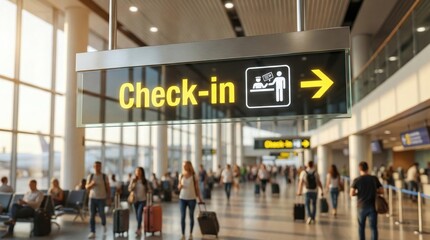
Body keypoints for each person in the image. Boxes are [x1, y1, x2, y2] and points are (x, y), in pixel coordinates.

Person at [350, 161, 384, 240]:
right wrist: (374, 191)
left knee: (361, 227)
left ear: (359, 169)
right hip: (372, 206)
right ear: (368, 168)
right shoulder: (374, 178)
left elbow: (351, 193)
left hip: (361, 206)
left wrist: (358, 193)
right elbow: (382, 191)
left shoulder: (357, 180)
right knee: (373, 228)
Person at [86, 161, 111, 239]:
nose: (97, 167)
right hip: (92, 198)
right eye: (96, 166)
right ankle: (92, 231)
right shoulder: (90, 176)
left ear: (101, 167)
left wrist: (109, 198)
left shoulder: (104, 176)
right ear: (94, 167)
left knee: (101, 213)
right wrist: (91, 184)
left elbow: (108, 188)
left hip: (101, 198)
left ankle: (104, 224)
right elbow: (87, 187)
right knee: (92, 215)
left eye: (99, 166)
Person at [178, 161, 202, 240]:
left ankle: (191, 233)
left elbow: (197, 188)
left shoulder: (194, 176)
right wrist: (180, 186)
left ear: (189, 166)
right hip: (182, 198)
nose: (184, 167)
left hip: (192, 198)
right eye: (183, 165)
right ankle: (183, 233)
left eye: (185, 165)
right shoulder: (181, 175)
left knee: (191, 216)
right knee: (182, 216)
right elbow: (179, 187)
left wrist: (199, 198)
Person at [128, 167, 150, 237]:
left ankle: (138, 229)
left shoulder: (145, 181)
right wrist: (133, 184)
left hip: (142, 200)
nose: (138, 172)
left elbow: (149, 189)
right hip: (135, 200)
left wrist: (149, 191)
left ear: (142, 172)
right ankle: (139, 226)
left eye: (139, 171)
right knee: (137, 216)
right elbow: (129, 189)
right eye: (137, 171)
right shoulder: (133, 180)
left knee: (139, 213)